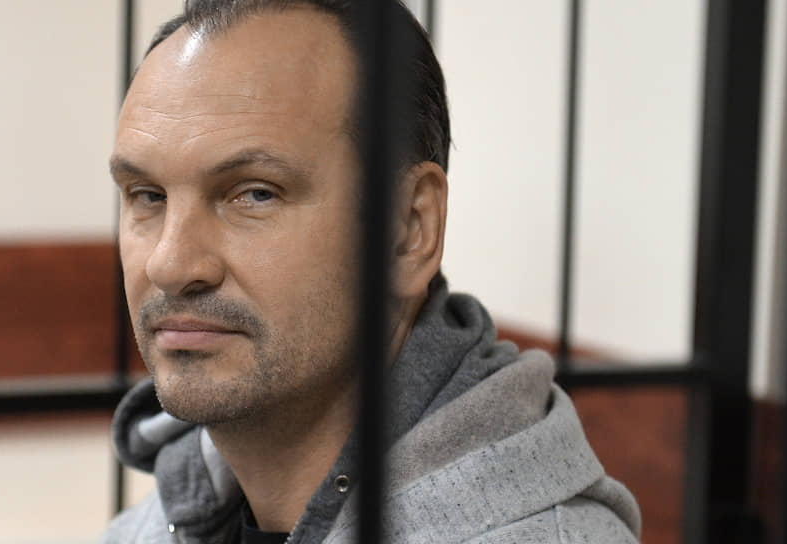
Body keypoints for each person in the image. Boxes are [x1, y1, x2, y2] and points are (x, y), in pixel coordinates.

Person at [102, 1, 640, 542]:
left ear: (409, 228)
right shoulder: (145, 528)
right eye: (148, 196)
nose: (169, 264)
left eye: (255, 193)